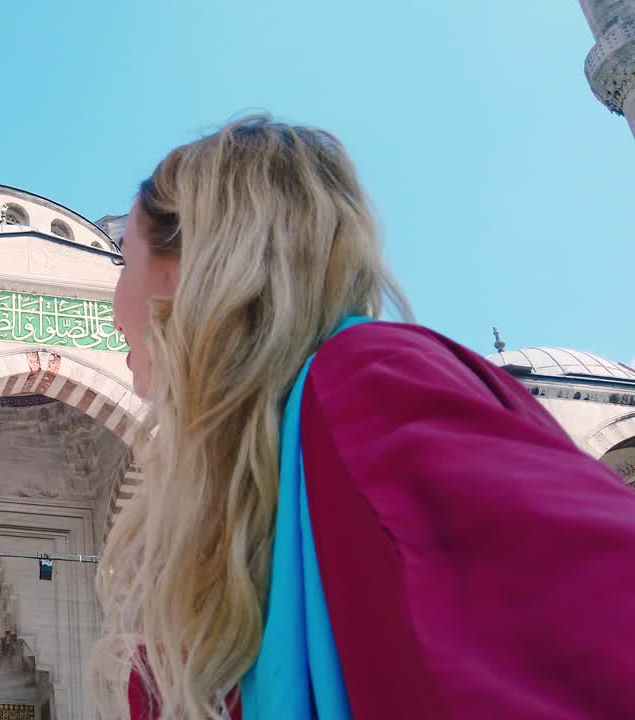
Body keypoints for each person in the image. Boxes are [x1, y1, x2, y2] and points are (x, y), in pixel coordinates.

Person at [92, 114, 635, 720]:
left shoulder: (371, 381)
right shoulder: (247, 489)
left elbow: (594, 612)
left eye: (122, 262)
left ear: (190, 268)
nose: (112, 307)